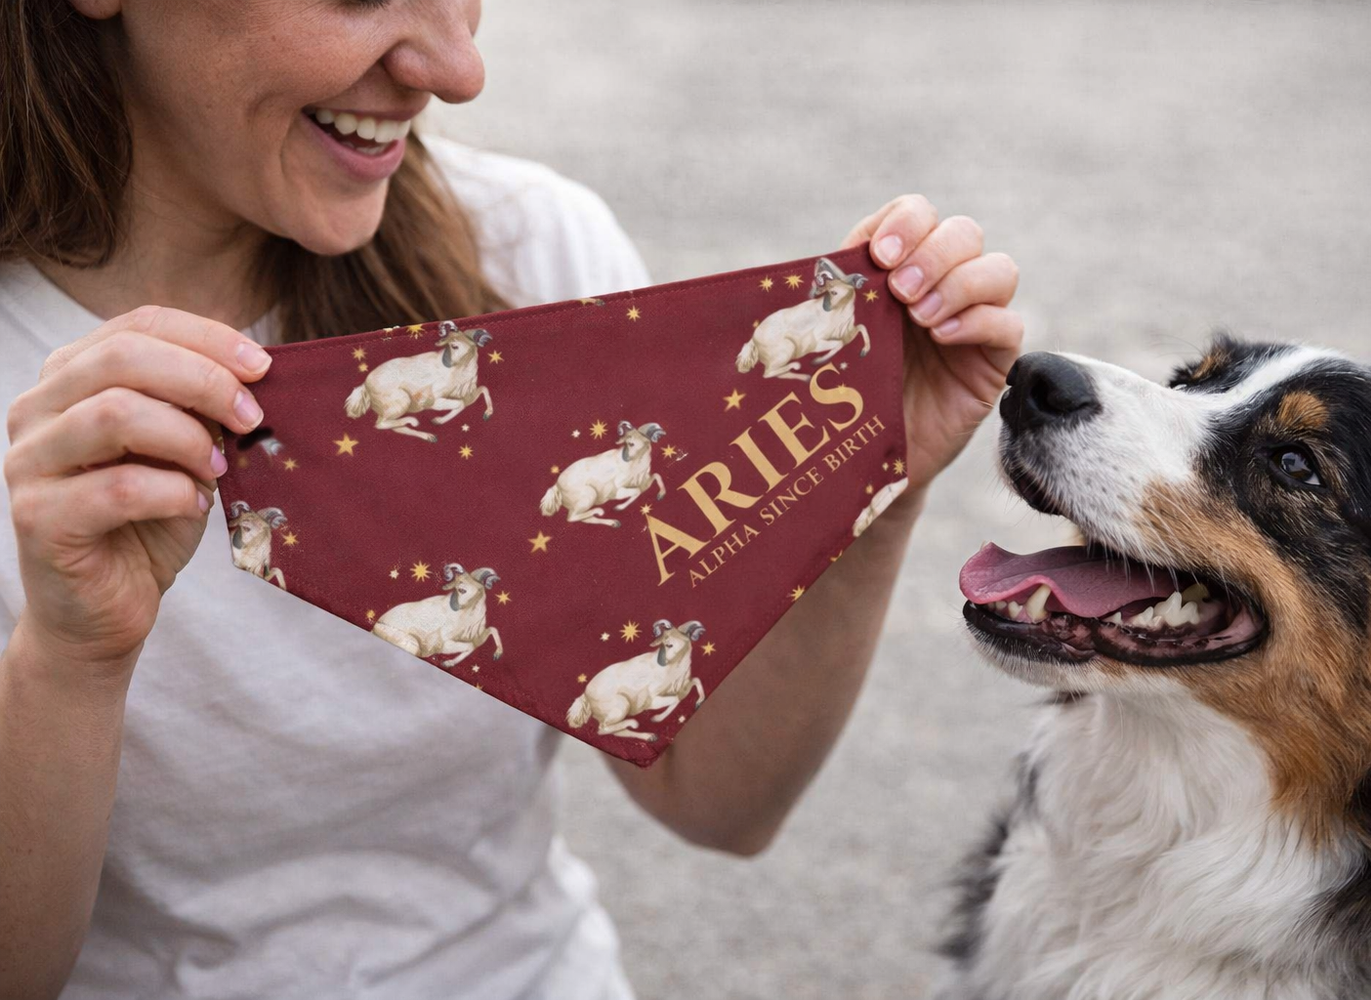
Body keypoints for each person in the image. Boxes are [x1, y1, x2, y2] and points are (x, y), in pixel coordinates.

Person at [0, 1, 1024, 997]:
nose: (458, 71)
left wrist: (860, 484)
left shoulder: (534, 257)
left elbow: (720, 800)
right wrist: (70, 659)